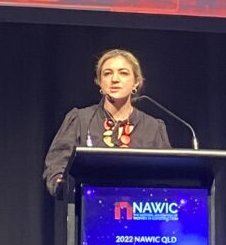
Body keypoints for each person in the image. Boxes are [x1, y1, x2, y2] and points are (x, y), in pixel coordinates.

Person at [43, 49, 171, 195]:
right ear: (99, 82)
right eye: (107, 73)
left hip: (140, 204)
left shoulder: (153, 127)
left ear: (136, 82)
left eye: (123, 73)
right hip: (87, 202)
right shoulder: (80, 119)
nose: (114, 79)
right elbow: (57, 164)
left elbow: (165, 174)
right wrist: (61, 183)